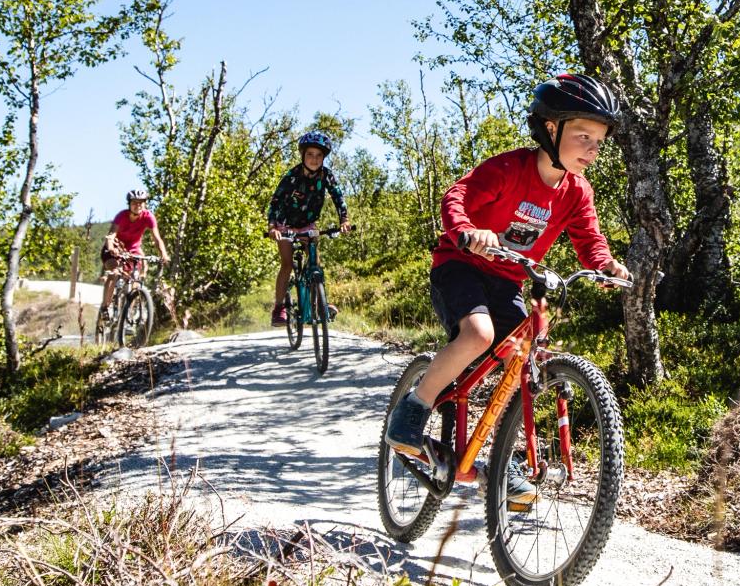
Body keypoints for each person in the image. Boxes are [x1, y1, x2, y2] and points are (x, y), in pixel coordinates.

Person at [383, 74, 630, 510]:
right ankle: (414, 406)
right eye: (584, 136)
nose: (593, 149)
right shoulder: (508, 169)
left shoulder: (577, 192)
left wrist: (605, 265)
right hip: (460, 265)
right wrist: (466, 230)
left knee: (524, 357)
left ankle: (503, 456)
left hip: (508, 278)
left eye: (600, 141)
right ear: (550, 129)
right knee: (478, 335)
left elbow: (588, 239)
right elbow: (457, 197)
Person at [267, 129, 351, 325]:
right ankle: (279, 308)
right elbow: (275, 201)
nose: (314, 159)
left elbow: (338, 198)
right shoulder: (292, 176)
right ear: (303, 155)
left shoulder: (326, 176)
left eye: (319, 155)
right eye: (310, 154)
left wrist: (344, 220)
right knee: (287, 264)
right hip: (285, 224)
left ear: (324, 157)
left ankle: (318, 305)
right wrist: (273, 227)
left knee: (315, 264)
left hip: (308, 224)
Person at [101, 189, 169, 316]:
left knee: (136, 279)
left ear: (145, 204)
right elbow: (111, 235)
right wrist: (111, 248)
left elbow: (157, 238)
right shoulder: (121, 216)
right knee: (114, 273)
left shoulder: (149, 217)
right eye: (134, 203)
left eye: (141, 202)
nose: (138, 205)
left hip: (133, 250)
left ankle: (128, 315)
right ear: (129, 204)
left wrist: (163, 254)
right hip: (115, 248)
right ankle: (105, 307)